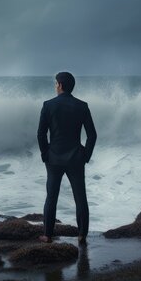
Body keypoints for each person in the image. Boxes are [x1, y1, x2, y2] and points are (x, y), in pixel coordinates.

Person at [37, 71, 97, 245]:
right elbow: (92, 135)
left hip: (54, 159)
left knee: (51, 197)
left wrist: (45, 154)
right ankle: (82, 235)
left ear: (60, 85)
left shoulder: (48, 105)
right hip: (76, 159)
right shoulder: (82, 106)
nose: (55, 86)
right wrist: (85, 155)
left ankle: (47, 235)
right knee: (80, 198)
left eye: (56, 84)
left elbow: (41, 134)